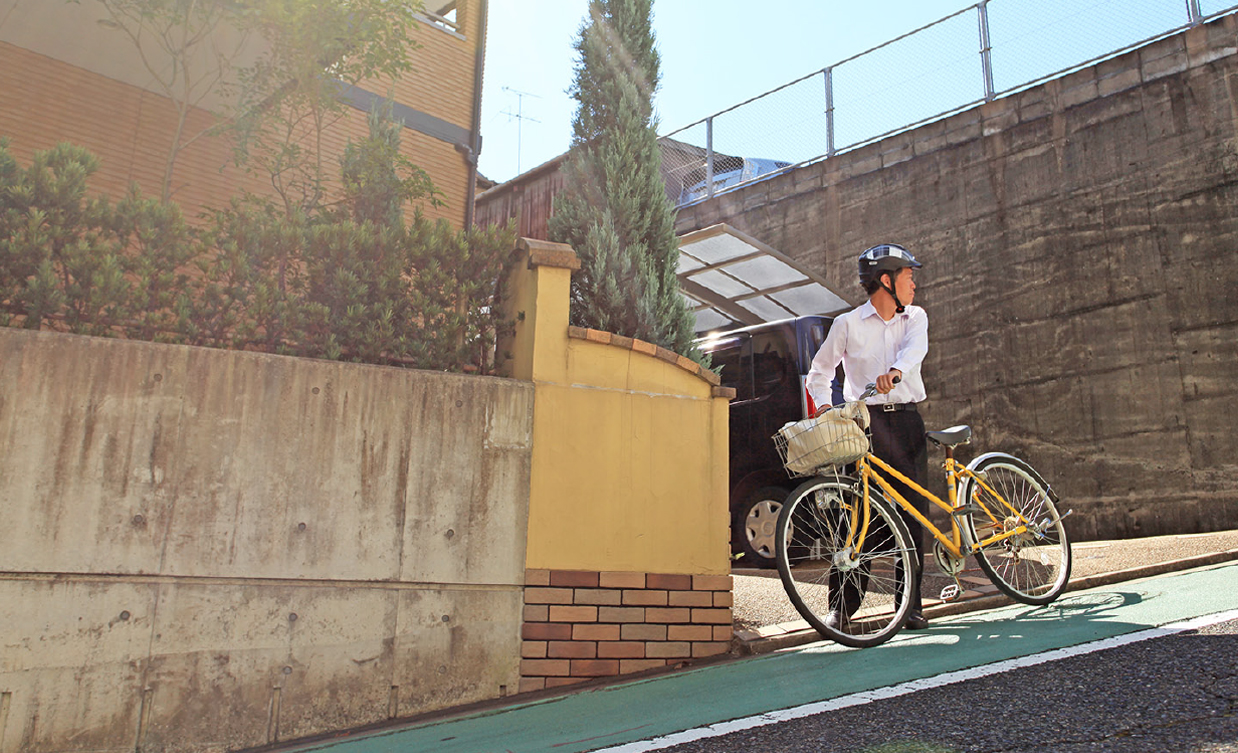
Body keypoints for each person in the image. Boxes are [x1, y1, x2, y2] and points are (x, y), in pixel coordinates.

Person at [805, 243, 930, 630]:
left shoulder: (915, 318)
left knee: (911, 514)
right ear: (887, 281)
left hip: (907, 423)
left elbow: (915, 351)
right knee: (857, 516)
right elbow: (819, 374)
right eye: (909, 276)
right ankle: (841, 608)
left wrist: (895, 371)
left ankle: (909, 605)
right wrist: (827, 409)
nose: (914, 284)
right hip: (864, 428)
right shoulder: (848, 324)